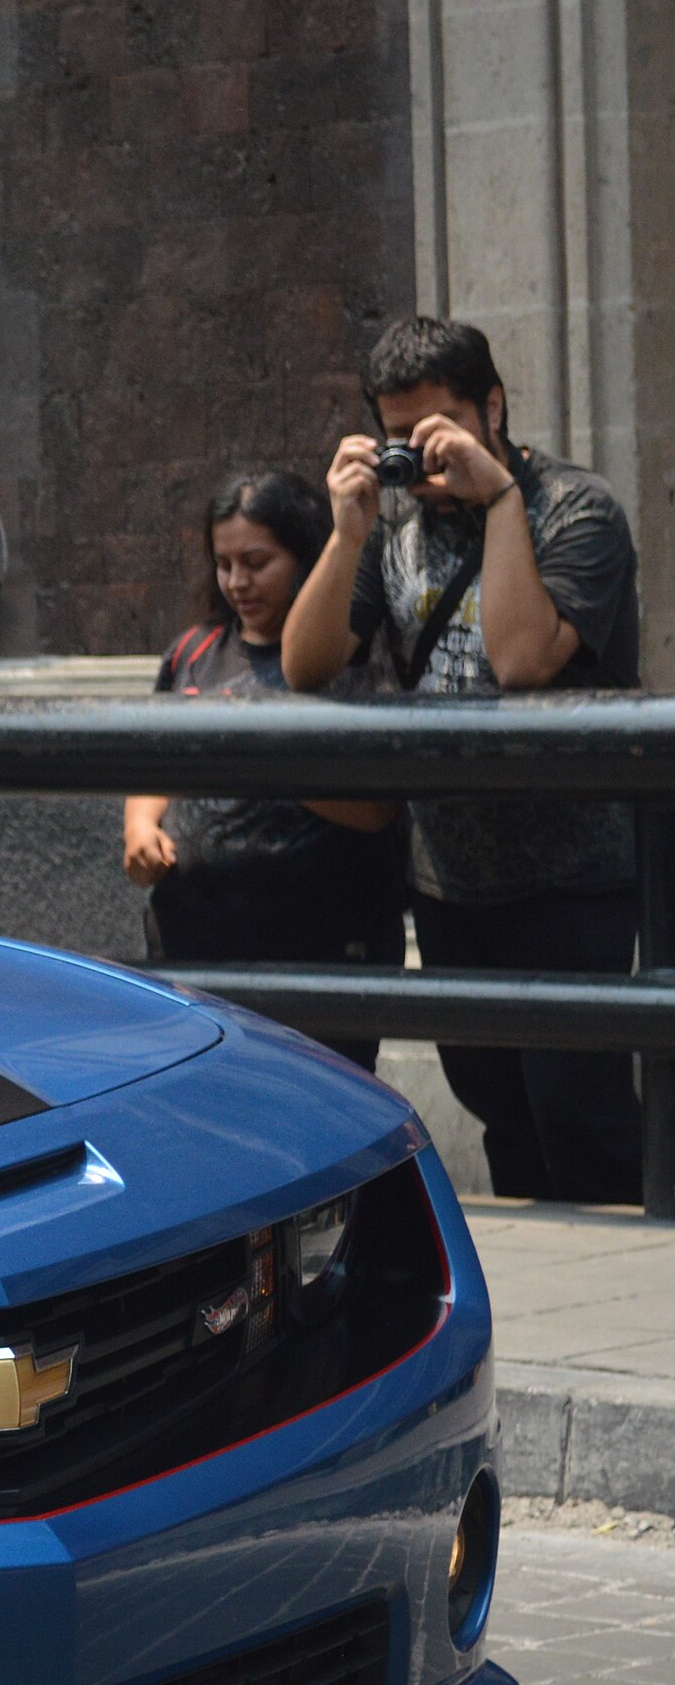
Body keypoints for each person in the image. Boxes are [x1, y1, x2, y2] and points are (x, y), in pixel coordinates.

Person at [282, 314, 645, 1202]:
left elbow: (524, 660)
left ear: (494, 406)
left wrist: (501, 502)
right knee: (497, 1102)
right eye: (398, 434)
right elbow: (307, 663)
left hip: (573, 874)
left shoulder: (575, 507)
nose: (419, 453)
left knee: (581, 1109)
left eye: (437, 426)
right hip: (450, 876)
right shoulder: (398, 529)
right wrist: (346, 533)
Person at [119, 471, 402, 1070]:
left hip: (318, 946)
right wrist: (141, 827)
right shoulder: (194, 651)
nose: (237, 582)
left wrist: (250, 765)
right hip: (197, 941)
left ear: (303, 555)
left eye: (256, 562)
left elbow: (377, 809)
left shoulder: (347, 658)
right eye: (224, 564)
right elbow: (155, 760)